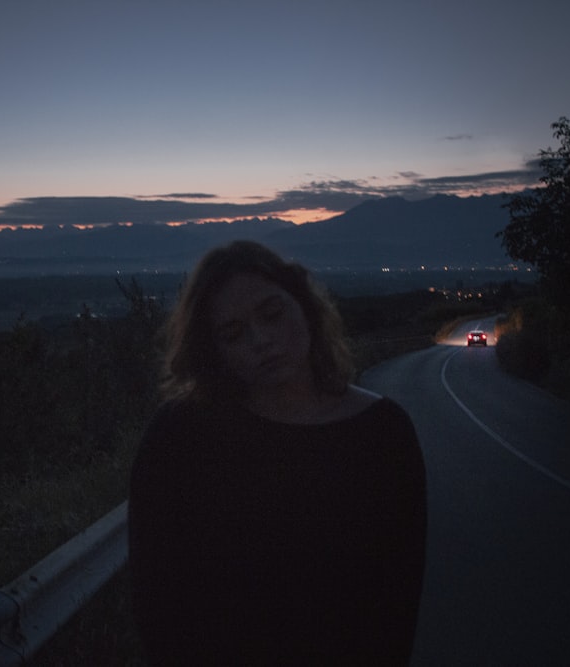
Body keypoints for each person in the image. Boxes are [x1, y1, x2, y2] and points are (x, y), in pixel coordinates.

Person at [128, 240, 426, 665]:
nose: (260, 340)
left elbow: (397, 603)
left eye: (272, 314)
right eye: (233, 333)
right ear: (214, 351)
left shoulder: (382, 434)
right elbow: (157, 604)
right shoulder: (181, 440)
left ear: (304, 305)